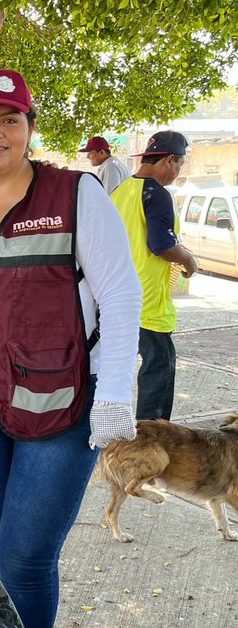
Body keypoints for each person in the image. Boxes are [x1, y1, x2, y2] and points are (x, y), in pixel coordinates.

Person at [0, 69, 142, 628]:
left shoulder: (75, 194)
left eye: (8, 120)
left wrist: (116, 391)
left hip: (63, 405)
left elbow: (120, 293)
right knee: (5, 544)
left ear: (28, 127)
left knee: (25, 556)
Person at [111, 130, 197, 421]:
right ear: (170, 160)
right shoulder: (158, 193)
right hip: (147, 303)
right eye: (180, 165)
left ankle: (120, 436)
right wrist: (188, 259)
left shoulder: (121, 191)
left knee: (118, 372)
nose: (177, 172)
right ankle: (152, 442)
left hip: (117, 299)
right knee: (158, 372)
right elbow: (161, 245)